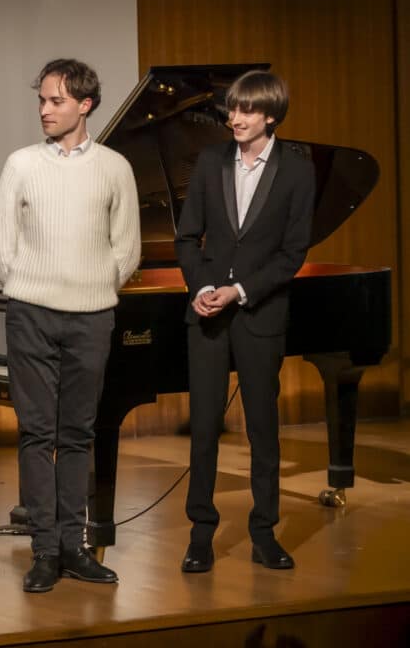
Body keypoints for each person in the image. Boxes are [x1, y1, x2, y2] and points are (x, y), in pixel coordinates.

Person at [0, 59, 141, 592]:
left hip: (92, 315)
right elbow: (1, 245)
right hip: (30, 311)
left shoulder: (115, 167)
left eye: (55, 101)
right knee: (37, 432)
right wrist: (30, 287)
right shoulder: (21, 164)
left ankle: (75, 546)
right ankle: (45, 551)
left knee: (77, 433)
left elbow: (127, 250)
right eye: (42, 101)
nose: (45, 110)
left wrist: (94, 288)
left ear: (85, 104)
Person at [175, 70, 315, 573]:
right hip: (208, 314)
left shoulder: (297, 171)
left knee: (263, 430)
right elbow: (187, 238)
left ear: (270, 115)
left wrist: (241, 290)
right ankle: (200, 537)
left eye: (246, 110)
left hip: (259, 315)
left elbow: (293, 253)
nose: (234, 118)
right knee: (205, 428)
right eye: (232, 109)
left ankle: (263, 533)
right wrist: (201, 288)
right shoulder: (211, 161)